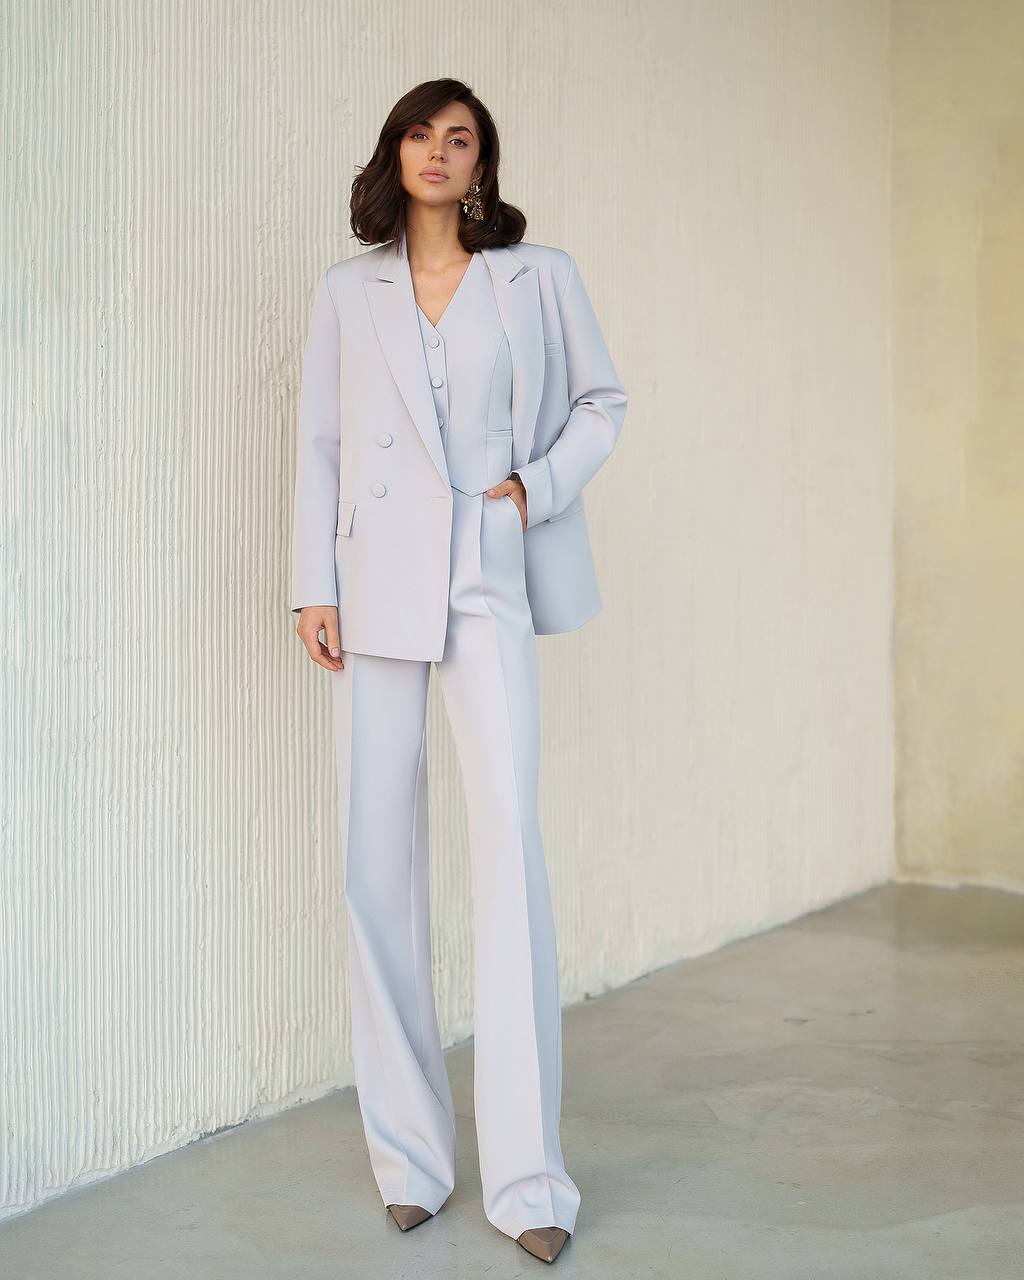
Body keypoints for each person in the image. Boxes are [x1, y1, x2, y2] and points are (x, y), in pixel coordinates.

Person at [290, 77, 627, 1265]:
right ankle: (410, 1158)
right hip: (372, 584)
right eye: (419, 135)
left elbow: (602, 400)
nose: (437, 152)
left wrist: (534, 486)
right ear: (394, 152)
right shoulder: (348, 291)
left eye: (460, 137)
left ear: (481, 163)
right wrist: (310, 583)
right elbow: (322, 442)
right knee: (375, 862)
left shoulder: (538, 277)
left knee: (508, 855)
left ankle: (530, 1177)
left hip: (486, 579)